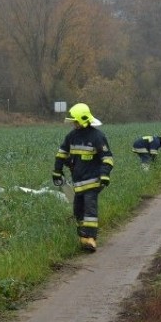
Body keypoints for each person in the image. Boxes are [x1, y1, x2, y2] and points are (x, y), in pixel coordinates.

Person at [52, 103, 114, 252]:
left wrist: (105, 174)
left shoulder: (97, 136)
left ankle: (91, 238)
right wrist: (57, 171)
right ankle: (83, 236)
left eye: (76, 121)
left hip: (93, 181)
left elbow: (107, 158)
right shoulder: (71, 136)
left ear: (84, 119)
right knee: (78, 210)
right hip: (78, 182)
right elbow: (61, 154)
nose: (74, 124)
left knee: (89, 210)